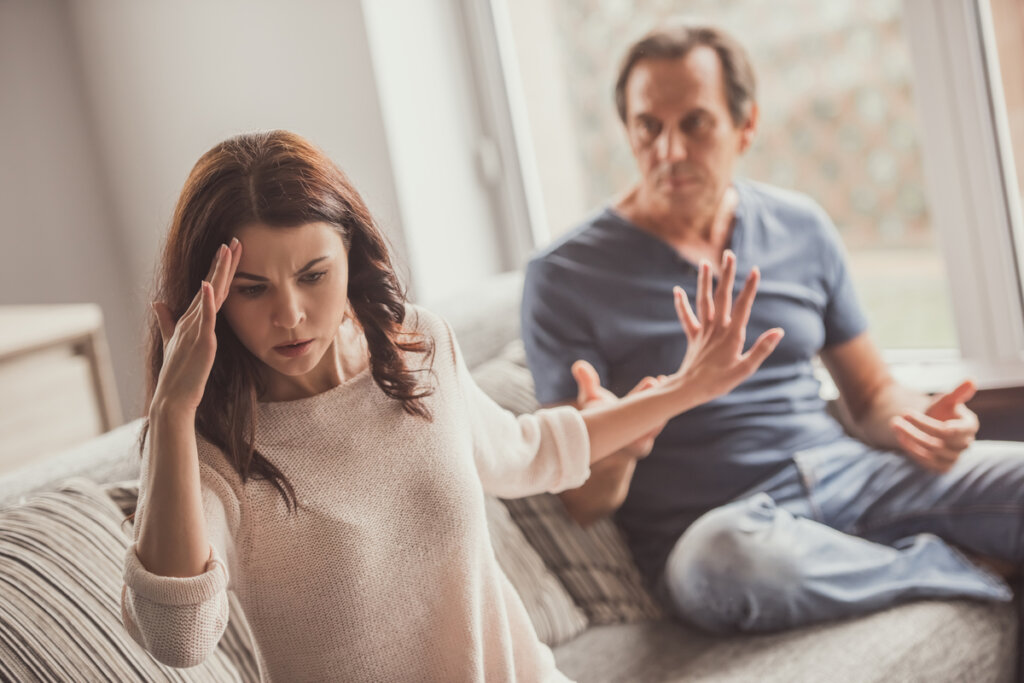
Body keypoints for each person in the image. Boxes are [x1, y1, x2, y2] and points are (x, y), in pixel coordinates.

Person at [120, 129, 779, 681]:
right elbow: (178, 639)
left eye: (313, 275)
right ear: (208, 297)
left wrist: (686, 389)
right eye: (252, 288)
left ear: (350, 253)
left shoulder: (415, 346)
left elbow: (529, 450)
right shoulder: (206, 446)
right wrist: (172, 415)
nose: (289, 314)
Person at [521, 22, 1024, 634]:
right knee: (724, 564)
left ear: (746, 125)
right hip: (726, 530)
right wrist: (618, 444)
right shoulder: (564, 277)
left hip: (851, 478)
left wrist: (920, 420)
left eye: (695, 124)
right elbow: (582, 503)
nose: (669, 150)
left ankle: (874, 561)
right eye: (648, 126)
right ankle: (950, 569)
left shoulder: (801, 227)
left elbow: (872, 397)